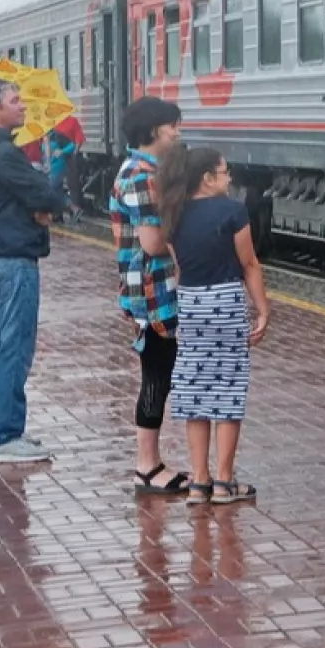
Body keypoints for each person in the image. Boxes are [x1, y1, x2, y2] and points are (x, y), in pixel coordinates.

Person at [0, 78, 70, 463]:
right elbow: (46, 195)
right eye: (14, 100)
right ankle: (6, 437)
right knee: (14, 350)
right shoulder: (4, 152)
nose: (22, 106)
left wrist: (35, 206)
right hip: (12, 261)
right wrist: (47, 201)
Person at [157, 147, 270, 506]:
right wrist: (263, 309)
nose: (230, 177)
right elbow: (249, 263)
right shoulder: (233, 211)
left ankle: (198, 481)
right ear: (207, 177)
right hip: (225, 304)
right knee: (228, 391)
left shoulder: (173, 214)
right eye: (225, 172)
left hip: (190, 303)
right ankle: (223, 482)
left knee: (194, 392)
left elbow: (181, 268)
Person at [109, 97, 190, 496]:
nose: (177, 132)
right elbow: (154, 242)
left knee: (159, 371)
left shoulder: (146, 171)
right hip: (153, 289)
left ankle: (151, 462)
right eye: (173, 125)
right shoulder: (141, 176)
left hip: (157, 286)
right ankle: (146, 465)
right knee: (156, 374)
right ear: (155, 130)